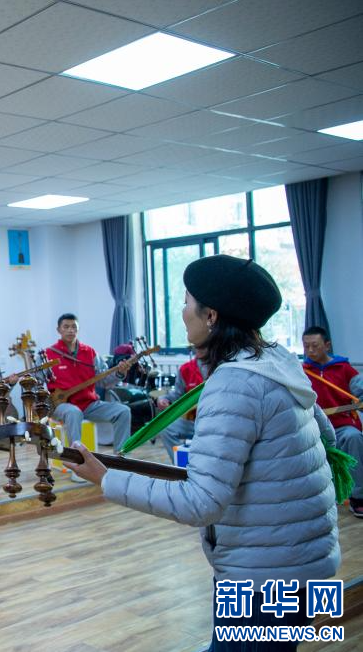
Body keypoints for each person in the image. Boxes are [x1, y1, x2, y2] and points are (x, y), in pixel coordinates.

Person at [68, 255, 340, 651]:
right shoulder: (277, 362)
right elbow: (328, 439)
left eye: (186, 303)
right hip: (305, 563)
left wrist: (107, 479)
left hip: (263, 577)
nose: (182, 313)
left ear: (210, 316)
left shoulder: (235, 383)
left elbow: (201, 502)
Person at [45, 313, 131, 476]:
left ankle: (121, 459)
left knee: (123, 411)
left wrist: (120, 373)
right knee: (73, 412)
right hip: (62, 406)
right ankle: (79, 465)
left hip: (89, 404)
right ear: (59, 330)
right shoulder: (48, 354)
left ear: (78, 329)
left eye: (74, 327)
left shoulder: (90, 352)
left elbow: (104, 381)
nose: (70, 330)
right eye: (66, 327)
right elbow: (38, 381)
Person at [302, 325, 363, 518]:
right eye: (306, 346)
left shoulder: (344, 368)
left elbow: (360, 391)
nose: (310, 350)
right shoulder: (301, 371)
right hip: (314, 427)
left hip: (343, 426)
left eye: (315, 345)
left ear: (327, 345)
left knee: (354, 438)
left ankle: (358, 498)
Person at [155, 351, 203, 460]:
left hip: (216, 420)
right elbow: (177, 395)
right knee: (166, 428)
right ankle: (182, 464)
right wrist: (163, 399)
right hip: (193, 420)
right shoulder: (186, 369)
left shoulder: (222, 367)